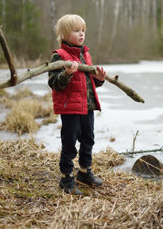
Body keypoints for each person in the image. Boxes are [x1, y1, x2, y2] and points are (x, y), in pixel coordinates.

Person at [48, 14, 106, 195]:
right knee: (69, 142)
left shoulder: (85, 55)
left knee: (88, 138)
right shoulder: (59, 56)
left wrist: (100, 80)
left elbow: (88, 84)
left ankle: (84, 172)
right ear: (64, 35)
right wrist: (66, 73)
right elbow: (54, 83)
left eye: (83, 30)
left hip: (87, 106)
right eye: (76, 31)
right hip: (70, 108)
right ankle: (66, 178)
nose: (81, 34)